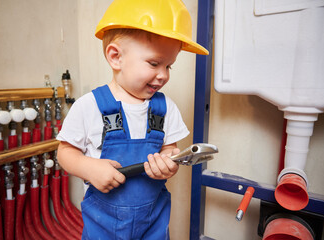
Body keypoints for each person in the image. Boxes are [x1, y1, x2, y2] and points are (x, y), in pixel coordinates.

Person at [56, 0, 209, 239]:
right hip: (102, 226)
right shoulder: (88, 106)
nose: (163, 75)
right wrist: (89, 168)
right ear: (115, 57)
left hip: (153, 223)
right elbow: (64, 153)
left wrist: (169, 164)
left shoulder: (165, 108)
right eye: (154, 63)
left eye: (170, 66)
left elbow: (170, 149)